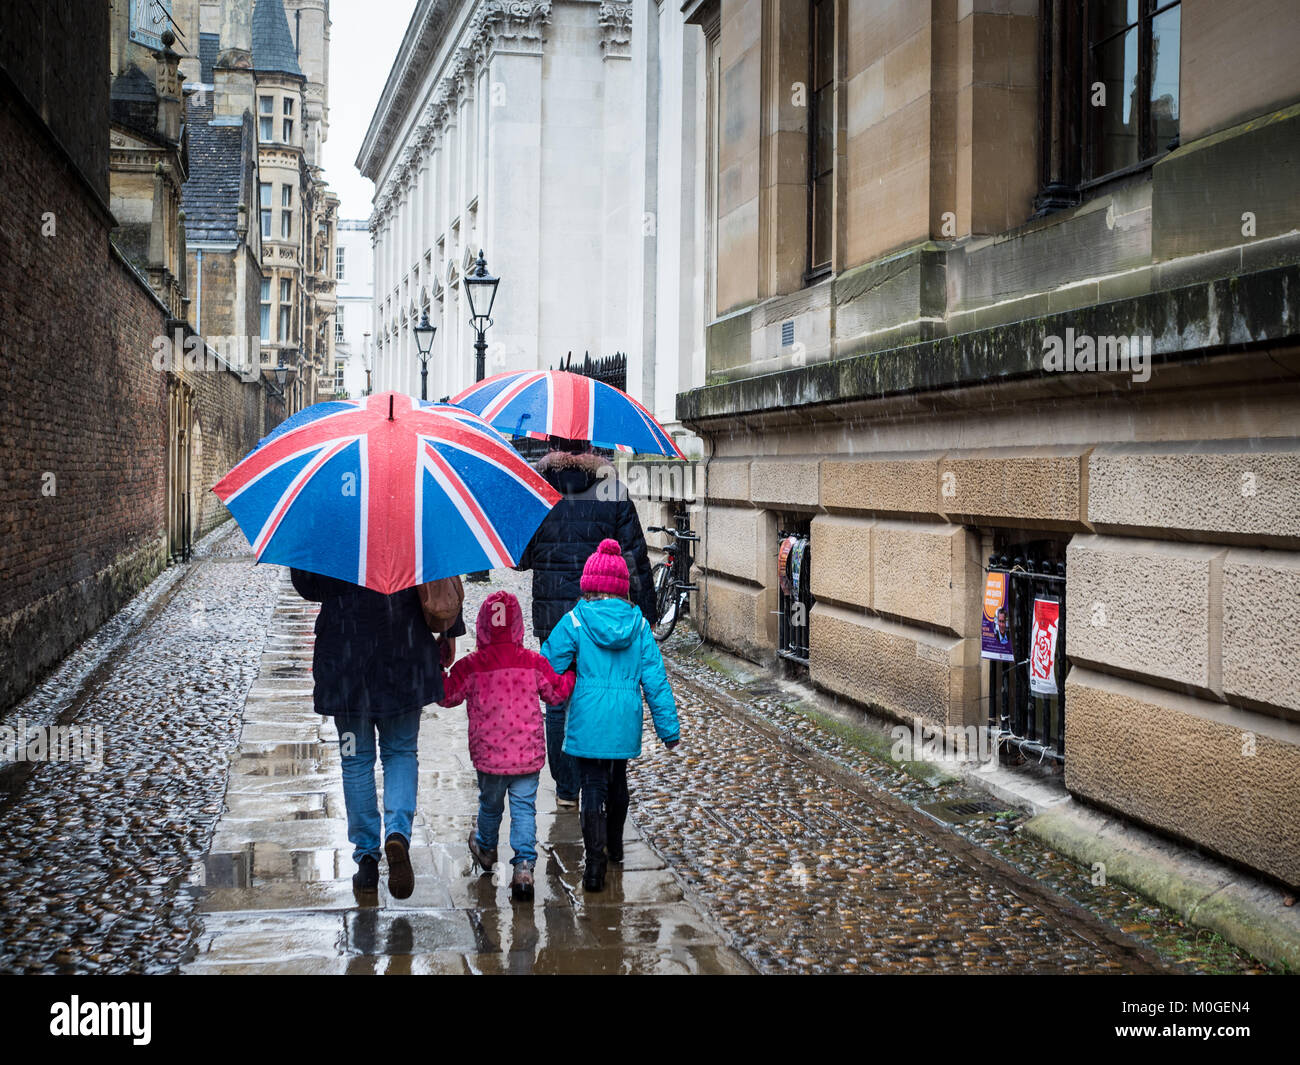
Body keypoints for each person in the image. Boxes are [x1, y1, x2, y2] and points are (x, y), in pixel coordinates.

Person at [290, 568, 464, 899]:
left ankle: (367, 857)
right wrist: (451, 629)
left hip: (345, 659)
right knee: (400, 752)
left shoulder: (334, 520)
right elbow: (440, 562)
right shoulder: (414, 516)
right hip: (405, 649)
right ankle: (397, 832)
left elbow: (309, 587)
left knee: (355, 759)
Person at [516, 436, 656, 810]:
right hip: (601, 611)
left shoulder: (537, 490)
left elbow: (521, 557)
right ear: (591, 448)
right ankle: (599, 776)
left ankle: (566, 788)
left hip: (553, 616)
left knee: (558, 700)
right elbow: (633, 556)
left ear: (551, 447)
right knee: (599, 690)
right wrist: (646, 611)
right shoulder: (612, 490)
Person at [540, 539, 680, 892]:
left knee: (592, 787)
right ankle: (615, 846)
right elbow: (656, 681)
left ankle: (594, 866)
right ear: (623, 588)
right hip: (624, 719)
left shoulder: (575, 620)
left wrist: (567, 677)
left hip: (588, 718)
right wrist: (668, 729)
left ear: (588, 585)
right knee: (618, 782)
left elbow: (548, 663)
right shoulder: (639, 626)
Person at [438, 590, 575, 902]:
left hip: (490, 758)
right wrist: (571, 674)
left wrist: (438, 664)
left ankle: (486, 847)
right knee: (524, 809)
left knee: (490, 805)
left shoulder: (472, 665)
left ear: (483, 626)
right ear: (518, 627)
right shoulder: (533, 663)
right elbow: (556, 694)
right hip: (527, 756)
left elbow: (446, 695)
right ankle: (524, 866)